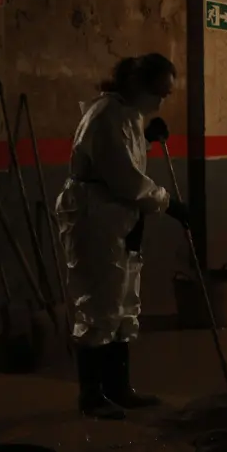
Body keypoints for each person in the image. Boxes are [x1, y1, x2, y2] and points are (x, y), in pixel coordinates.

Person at [55, 53, 188, 420]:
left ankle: (118, 388)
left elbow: (125, 160)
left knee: (123, 304)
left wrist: (147, 140)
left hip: (118, 220)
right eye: (159, 93)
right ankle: (92, 396)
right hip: (95, 219)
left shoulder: (128, 115)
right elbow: (125, 178)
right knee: (98, 304)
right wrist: (168, 204)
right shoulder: (106, 117)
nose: (161, 102)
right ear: (137, 85)